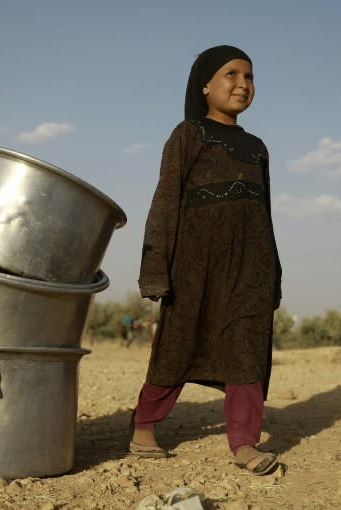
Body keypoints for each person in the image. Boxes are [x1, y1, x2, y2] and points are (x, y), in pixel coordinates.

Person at [129, 45, 282, 476]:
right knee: (178, 344)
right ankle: (143, 428)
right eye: (231, 74)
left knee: (247, 347)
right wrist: (156, 266)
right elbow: (165, 201)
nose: (242, 84)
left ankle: (245, 444)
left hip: (251, 264)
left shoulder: (257, 148)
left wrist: (274, 273)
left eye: (249, 77)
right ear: (205, 85)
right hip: (194, 263)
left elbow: (265, 212)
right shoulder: (188, 134)